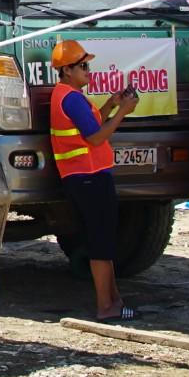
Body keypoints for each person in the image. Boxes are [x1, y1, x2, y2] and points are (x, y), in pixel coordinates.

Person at [47, 40, 140, 320]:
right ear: (67, 70)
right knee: (101, 242)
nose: (88, 71)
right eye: (83, 66)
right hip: (88, 176)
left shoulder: (69, 95)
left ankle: (114, 301)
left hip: (87, 176)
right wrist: (123, 112)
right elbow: (96, 137)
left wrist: (111, 104)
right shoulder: (71, 98)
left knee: (104, 241)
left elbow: (92, 125)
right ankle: (106, 306)